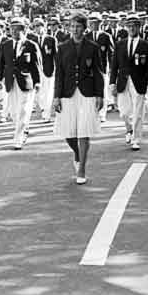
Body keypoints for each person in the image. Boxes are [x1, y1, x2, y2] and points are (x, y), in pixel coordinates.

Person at [53, 11, 104, 184]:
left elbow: (98, 73)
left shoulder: (93, 47)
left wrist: (100, 95)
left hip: (87, 93)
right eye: (72, 26)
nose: (75, 29)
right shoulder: (62, 47)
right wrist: (56, 97)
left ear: (84, 28)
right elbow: (59, 74)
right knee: (69, 133)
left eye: (78, 26)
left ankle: (81, 169)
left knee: (84, 131)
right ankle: (77, 153)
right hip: (67, 93)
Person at [110, 14, 148, 151]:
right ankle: (129, 128)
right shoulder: (120, 44)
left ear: (139, 27)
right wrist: (112, 83)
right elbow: (114, 66)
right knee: (124, 111)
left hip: (139, 81)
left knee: (138, 112)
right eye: (129, 26)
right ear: (126, 27)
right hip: (123, 81)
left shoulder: (146, 45)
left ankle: (136, 139)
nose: (131, 29)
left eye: (134, 26)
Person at [0, 17, 41, 149]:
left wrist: (38, 82)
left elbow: (36, 65)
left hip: (26, 82)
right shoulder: (6, 45)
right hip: (11, 81)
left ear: (24, 30)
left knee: (23, 110)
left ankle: (18, 138)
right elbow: (1, 63)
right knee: (14, 112)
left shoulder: (31, 45)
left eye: (17, 29)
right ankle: (24, 129)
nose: (14, 32)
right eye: (12, 29)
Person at [86, 12, 115, 122]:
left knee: (103, 91)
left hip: (102, 68)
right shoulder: (86, 37)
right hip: (89, 69)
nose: (94, 25)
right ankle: (93, 113)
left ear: (100, 23)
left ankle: (102, 114)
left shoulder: (106, 36)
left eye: (96, 23)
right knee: (91, 90)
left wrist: (111, 67)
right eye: (92, 23)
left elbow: (111, 53)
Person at [33, 17, 57, 122]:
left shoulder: (51, 39)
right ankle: (43, 108)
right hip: (37, 70)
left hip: (49, 69)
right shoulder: (32, 40)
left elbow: (56, 56)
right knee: (39, 92)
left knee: (48, 92)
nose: (37, 28)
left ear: (44, 26)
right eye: (35, 26)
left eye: (39, 26)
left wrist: (57, 69)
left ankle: (46, 113)